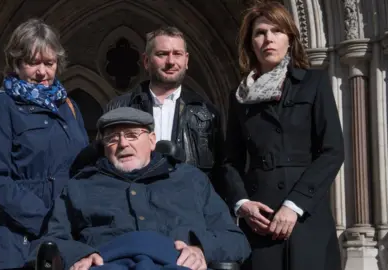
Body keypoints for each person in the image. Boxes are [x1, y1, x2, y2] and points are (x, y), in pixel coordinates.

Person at [36, 107, 251, 270]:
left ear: (152, 140)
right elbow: (50, 242)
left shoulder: (190, 180)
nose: (123, 144)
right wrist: (79, 255)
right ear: (104, 148)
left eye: (132, 135)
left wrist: (202, 249)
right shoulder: (80, 186)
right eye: (112, 138)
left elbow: (235, 240)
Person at [224, 2, 344, 270]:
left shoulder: (314, 83)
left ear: (289, 39)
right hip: (259, 220)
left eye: (277, 31)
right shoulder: (239, 97)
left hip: (306, 215)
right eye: (260, 32)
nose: (268, 39)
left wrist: (294, 205)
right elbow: (229, 161)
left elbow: (332, 150)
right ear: (250, 43)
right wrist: (242, 204)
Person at [0, 18, 89, 269]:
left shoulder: (68, 106)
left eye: (49, 63)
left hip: (70, 231)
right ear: (16, 63)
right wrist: (45, 217)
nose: (42, 72)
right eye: (33, 63)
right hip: (23, 234)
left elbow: (84, 164)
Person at [105, 26, 228, 199]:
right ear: (146, 61)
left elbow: (221, 173)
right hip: (135, 208)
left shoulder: (207, 113)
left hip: (188, 208)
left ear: (186, 60)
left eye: (177, 54)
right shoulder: (119, 109)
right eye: (162, 54)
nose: (171, 61)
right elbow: (104, 167)